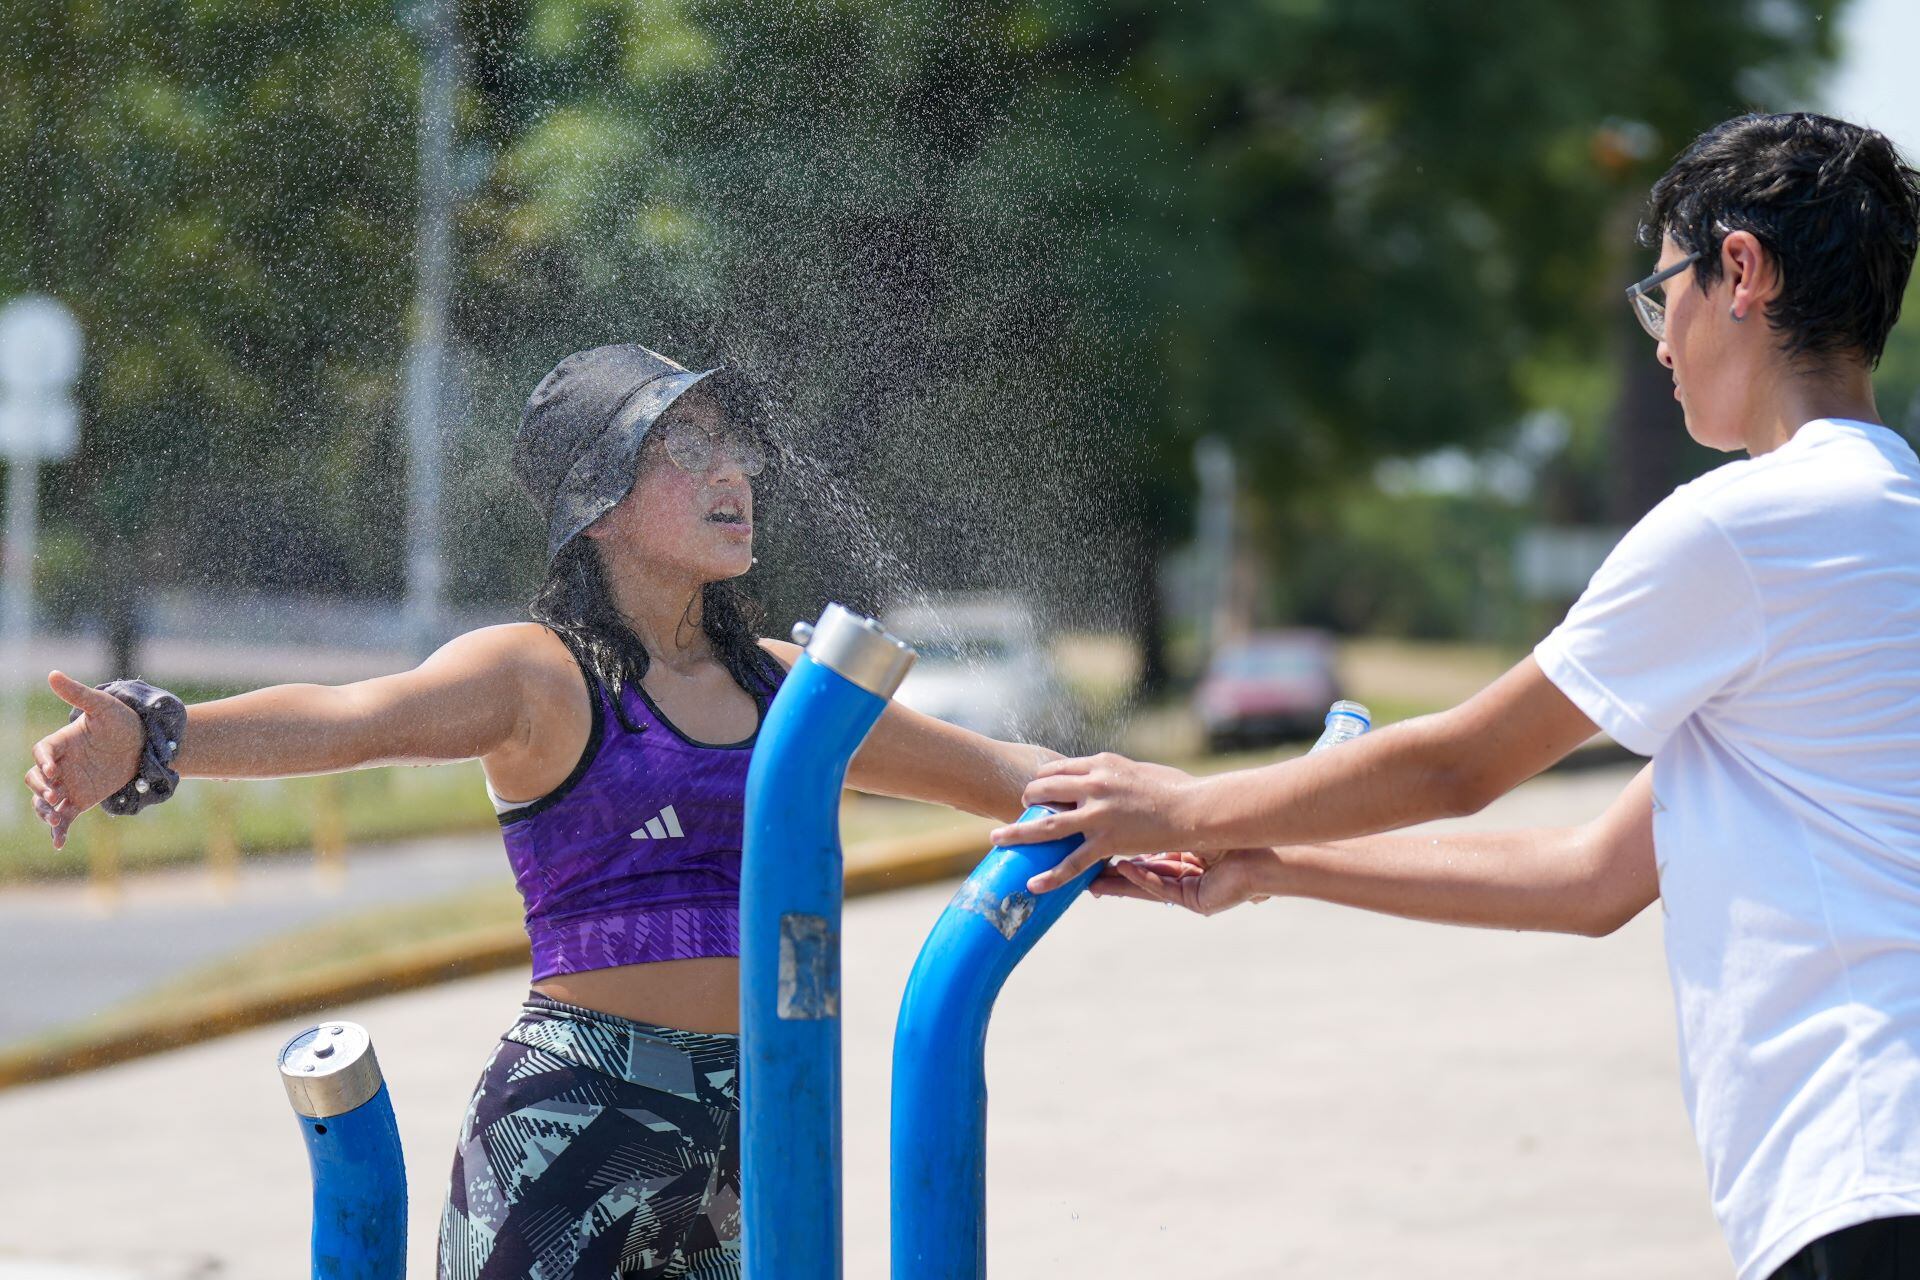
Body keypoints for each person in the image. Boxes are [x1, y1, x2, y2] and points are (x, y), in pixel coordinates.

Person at [997, 113, 1920, 1280]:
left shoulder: (1747, 526)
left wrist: (1181, 809)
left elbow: (1460, 763)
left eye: (1662, 292)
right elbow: (1591, 879)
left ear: (1739, 270)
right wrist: (1273, 861)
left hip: (1865, 1172)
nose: (1659, 343)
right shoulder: (1886, 532)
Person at [23, 344, 1057, 1278]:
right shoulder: (541, 675)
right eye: (683, 449)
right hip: (573, 1119)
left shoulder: (793, 693)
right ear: (601, 501)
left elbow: (1002, 770)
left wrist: (1170, 821)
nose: (729, 472)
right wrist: (152, 733)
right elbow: (350, 717)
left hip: (747, 1136)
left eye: (731, 448)